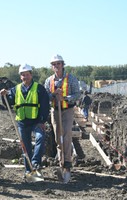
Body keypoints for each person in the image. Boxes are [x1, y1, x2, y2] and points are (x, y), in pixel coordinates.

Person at [0, 64, 49, 178]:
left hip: (36, 121)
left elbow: (45, 105)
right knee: (25, 147)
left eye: (27, 74)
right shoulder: (16, 89)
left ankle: (36, 162)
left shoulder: (39, 88)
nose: (25, 77)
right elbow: (9, 102)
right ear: (20, 77)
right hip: (22, 122)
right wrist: (4, 96)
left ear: (31, 75)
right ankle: (29, 171)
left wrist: (42, 121)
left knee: (40, 138)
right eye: (23, 75)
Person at [44, 54, 80, 183]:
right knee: (58, 137)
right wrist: (53, 95)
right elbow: (45, 95)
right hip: (55, 111)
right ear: (52, 66)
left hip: (67, 110)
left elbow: (77, 94)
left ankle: (68, 164)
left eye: (58, 64)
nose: (56, 66)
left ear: (62, 64)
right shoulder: (49, 80)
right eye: (54, 64)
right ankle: (61, 163)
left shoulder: (71, 79)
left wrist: (65, 98)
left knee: (66, 136)